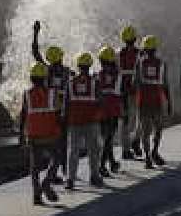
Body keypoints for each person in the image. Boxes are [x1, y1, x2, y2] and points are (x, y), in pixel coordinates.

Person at [31, 22, 70, 183]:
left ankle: (53, 172)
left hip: (49, 111)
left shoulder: (46, 70)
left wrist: (36, 33)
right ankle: (62, 171)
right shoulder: (68, 72)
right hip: (63, 110)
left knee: (51, 143)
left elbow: (35, 53)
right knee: (62, 142)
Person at [19, 62, 62, 205]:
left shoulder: (26, 94)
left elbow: (23, 115)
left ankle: (36, 195)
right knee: (56, 159)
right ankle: (47, 182)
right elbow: (58, 115)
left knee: (34, 166)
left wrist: (21, 135)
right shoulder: (52, 93)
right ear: (44, 78)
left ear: (31, 78)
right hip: (49, 133)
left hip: (33, 134)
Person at [66, 52, 105, 188]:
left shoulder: (70, 82)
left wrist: (66, 120)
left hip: (74, 122)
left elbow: (66, 103)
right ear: (89, 66)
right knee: (93, 150)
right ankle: (94, 176)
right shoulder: (95, 82)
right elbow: (101, 101)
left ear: (78, 66)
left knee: (73, 151)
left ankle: (70, 179)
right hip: (91, 121)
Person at [136, 35, 171, 169]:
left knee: (145, 132)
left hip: (143, 102)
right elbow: (165, 85)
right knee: (158, 129)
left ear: (144, 49)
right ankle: (155, 151)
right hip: (157, 101)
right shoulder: (162, 63)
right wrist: (169, 102)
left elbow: (135, 82)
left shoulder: (139, 63)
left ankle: (148, 158)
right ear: (155, 49)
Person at [95, 45, 123, 176]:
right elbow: (119, 93)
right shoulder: (118, 75)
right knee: (109, 137)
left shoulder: (97, 75)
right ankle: (102, 165)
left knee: (106, 137)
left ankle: (111, 162)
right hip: (113, 108)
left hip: (101, 109)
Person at [118, 25, 142, 161]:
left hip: (123, 92)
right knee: (140, 119)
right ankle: (134, 142)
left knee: (126, 122)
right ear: (134, 38)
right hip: (136, 91)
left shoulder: (118, 54)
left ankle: (127, 149)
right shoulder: (141, 53)